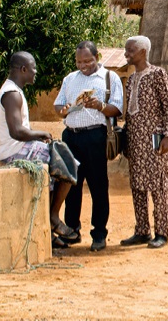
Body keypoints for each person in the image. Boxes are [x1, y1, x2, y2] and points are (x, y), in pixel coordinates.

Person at [0, 51, 77, 248]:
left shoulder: (14, 90)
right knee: (67, 164)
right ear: (23, 69)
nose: (35, 72)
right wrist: (41, 134)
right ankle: (53, 218)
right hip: (14, 150)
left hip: (18, 146)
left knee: (63, 162)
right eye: (33, 68)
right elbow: (16, 131)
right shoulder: (12, 94)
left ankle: (48, 223)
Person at [53, 41, 123, 252]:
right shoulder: (70, 79)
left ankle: (99, 234)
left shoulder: (110, 78)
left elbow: (118, 109)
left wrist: (100, 106)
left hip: (96, 136)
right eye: (79, 61)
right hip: (71, 137)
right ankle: (72, 230)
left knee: (98, 186)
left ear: (97, 57)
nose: (83, 65)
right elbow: (58, 105)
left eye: (87, 61)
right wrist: (63, 109)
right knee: (70, 185)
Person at [118, 36, 168, 249]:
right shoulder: (132, 79)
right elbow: (130, 113)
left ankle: (162, 232)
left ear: (143, 52)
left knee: (158, 185)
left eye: (130, 50)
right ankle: (142, 230)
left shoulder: (157, 74)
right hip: (135, 139)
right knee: (137, 185)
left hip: (155, 139)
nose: (127, 54)